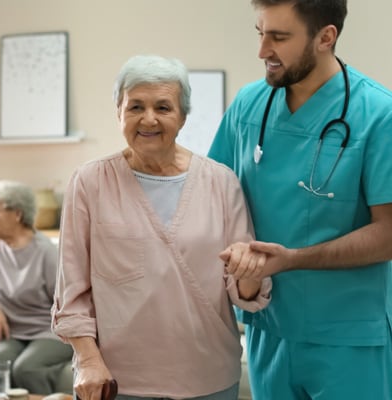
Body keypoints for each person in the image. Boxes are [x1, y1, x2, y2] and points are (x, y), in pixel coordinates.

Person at [51, 54, 272, 400]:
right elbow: (71, 292)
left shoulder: (221, 182)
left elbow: (243, 291)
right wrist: (88, 359)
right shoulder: (89, 182)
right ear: (119, 113)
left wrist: (251, 270)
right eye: (135, 106)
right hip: (116, 381)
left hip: (208, 378)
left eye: (163, 107)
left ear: (183, 116)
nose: (148, 119)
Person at [208, 1, 392, 399]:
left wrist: (293, 259)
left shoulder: (378, 114)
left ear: (326, 37)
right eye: (260, 33)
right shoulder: (247, 106)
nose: (262, 50)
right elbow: (211, 202)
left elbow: (389, 234)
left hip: (348, 337)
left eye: (279, 37)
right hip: (268, 331)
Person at [0, 180, 73, 395]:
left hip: (49, 331)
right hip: (13, 332)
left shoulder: (46, 252)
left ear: (17, 214)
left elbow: (66, 305)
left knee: (26, 368)